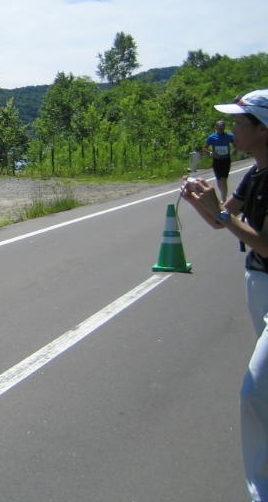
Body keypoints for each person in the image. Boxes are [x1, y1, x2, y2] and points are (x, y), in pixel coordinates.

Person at [181, 89, 268, 502]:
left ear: (263, 129)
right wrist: (201, 201)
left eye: (239, 122)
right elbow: (222, 221)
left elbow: (263, 242)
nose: (232, 131)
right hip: (257, 284)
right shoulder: (254, 174)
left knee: (254, 391)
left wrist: (217, 210)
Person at [205, 119, 236, 199]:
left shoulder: (229, 136)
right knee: (219, 179)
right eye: (219, 126)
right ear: (216, 127)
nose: (221, 128)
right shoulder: (212, 137)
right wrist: (211, 153)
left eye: (222, 126)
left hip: (226, 160)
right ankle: (223, 194)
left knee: (223, 179)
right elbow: (205, 148)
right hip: (217, 160)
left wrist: (234, 150)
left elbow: (236, 144)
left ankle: (223, 198)